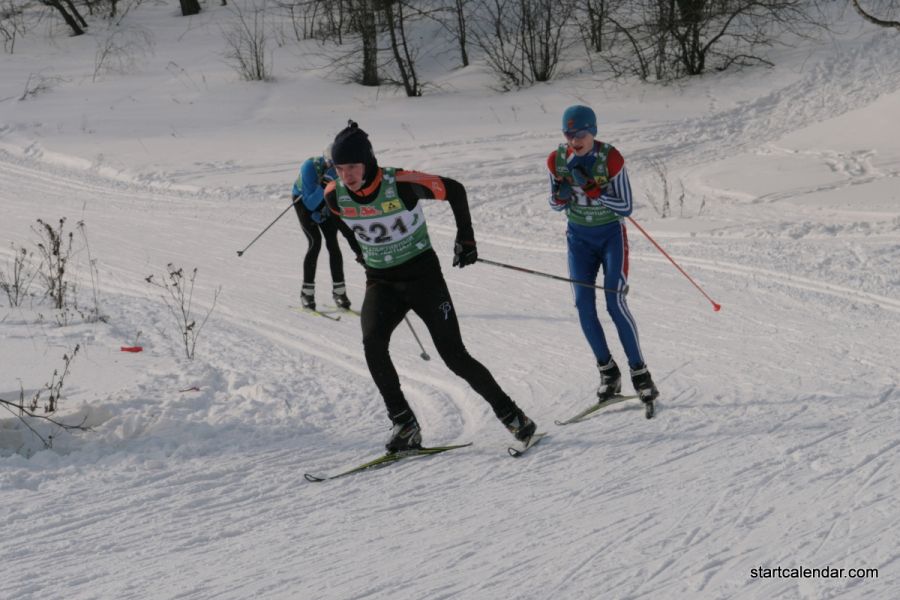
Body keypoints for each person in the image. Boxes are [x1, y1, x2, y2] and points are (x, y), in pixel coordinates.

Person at [323, 120, 537, 452]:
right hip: (381, 281)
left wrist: (466, 238)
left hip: (423, 277)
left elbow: (454, 189)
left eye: (352, 166)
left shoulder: (402, 183)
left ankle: (514, 416)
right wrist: (361, 254)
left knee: (454, 356)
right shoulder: (333, 195)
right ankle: (404, 423)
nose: (346, 174)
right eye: (339, 168)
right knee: (372, 343)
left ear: (367, 162)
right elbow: (343, 225)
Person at [546, 105, 660, 408]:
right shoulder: (557, 160)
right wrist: (560, 197)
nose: (574, 140)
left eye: (580, 133)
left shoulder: (610, 158)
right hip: (578, 239)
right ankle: (608, 372)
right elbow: (554, 205)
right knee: (583, 305)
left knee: (614, 301)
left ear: (592, 132)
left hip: (610, 237)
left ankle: (641, 374)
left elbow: (625, 208)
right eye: (569, 134)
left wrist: (594, 190)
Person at [291, 146, 357, 311]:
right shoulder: (310, 166)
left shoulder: (343, 171)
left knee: (333, 243)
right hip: (304, 201)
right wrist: (325, 183)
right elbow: (310, 203)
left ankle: (339, 292)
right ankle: (306, 293)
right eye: (334, 166)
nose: (338, 170)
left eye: (340, 167)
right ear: (327, 161)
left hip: (326, 201)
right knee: (315, 242)